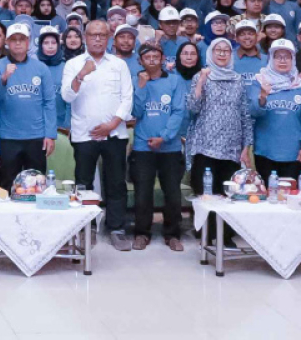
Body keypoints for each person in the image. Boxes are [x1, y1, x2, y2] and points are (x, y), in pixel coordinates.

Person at [61, 18, 133, 251]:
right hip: (84, 134)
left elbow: (127, 98)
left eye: (102, 35)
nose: (98, 39)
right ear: (85, 38)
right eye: (93, 35)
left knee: (116, 182)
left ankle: (116, 228)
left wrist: (112, 125)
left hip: (115, 133)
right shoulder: (73, 64)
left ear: (109, 38)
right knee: (83, 182)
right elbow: (66, 96)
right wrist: (81, 75)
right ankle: (86, 226)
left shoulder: (119, 64)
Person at [186, 37, 253, 246]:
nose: (222, 54)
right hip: (205, 144)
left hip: (231, 146)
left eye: (226, 50)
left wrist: (246, 146)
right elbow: (192, 108)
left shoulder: (238, 80)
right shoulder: (201, 76)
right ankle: (207, 234)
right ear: (210, 54)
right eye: (218, 50)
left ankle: (225, 236)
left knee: (228, 195)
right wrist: (201, 82)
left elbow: (245, 114)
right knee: (206, 193)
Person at [130, 43, 186, 251]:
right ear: (140, 61)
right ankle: (141, 233)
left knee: (172, 193)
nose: (152, 59)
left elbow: (178, 112)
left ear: (162, 59)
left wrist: (164, 137)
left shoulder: (174, 80)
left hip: (169, 147)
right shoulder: (137, 81)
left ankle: (172, 234)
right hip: (143, 147)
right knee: (142, 193)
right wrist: (141, 87)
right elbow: (135, 112)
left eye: (156, 56)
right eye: (147, 57)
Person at [0, 23, 56, 191]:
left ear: (28, 42)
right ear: (7, 43)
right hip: (8, 138)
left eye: (22, 39)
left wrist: (50, 134)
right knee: (7, 187)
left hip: (36, 137)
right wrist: (4, 78)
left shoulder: (41, 68)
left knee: (37, 187)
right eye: (13, 39)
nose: (18, 43)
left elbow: (49, 102)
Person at [246, 40, 301, 181]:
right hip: (264, 151)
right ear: (271, 58)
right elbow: (253, 112)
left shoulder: (298, 84)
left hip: (293, 153)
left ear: (293, 59)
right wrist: (263, 96)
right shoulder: (259, 81)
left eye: (287, 56)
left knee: (290, 193)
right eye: (278, 56)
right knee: (266, 192)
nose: (282, 60)